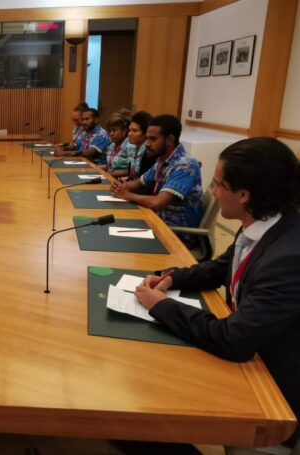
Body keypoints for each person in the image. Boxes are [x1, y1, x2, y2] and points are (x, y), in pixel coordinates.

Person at [135, 137, 300, 450]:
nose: (212, 192)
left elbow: (233, 340)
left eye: (218, 184)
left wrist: (162, 306)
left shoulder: (289, 258)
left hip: (272, 392)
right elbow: (218, 268)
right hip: (251, 353)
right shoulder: (264, 222)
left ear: (244, 194)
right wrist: (168, 278)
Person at [110, 114, 203, 239]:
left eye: (153, 139)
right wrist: (122, 186)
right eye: (147, 138)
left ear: (170, 139)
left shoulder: (185, 165)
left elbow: (157, 203)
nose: (147, 143)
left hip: (175, 233)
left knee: (117, 237)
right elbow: (139, 183)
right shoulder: (162, 160)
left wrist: (127, 195)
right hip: (156, 221)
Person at [117, 111, 155, 180]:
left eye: (134, 131)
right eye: (129, 130)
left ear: (146, 133)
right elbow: (132, 175)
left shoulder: (148, 153)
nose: (129, 134)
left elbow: (144, 183)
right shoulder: (134, 149)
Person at [102, 108, 135, 174]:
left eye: (114, 130)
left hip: (122, 181)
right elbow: (110, 166)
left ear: (124, 130)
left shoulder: (130, 146)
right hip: (110, 177)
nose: (111, 133)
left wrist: (109, 174)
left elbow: (131, 170)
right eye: (110, 130)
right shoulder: (112, 145)